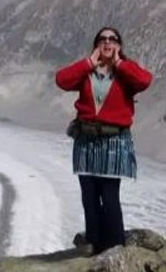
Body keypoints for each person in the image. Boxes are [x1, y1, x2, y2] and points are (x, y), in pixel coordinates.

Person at [54, 27, 153, 254]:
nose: (107, 43)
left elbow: (144, 80)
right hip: (86, 139)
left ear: (119, 45)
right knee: (89, 197)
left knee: (109, 197)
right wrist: (88, 63)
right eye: (102, 39)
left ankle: (115, 248)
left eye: (113, 39)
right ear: (96, 44)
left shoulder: (125, 73)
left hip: (113, 141)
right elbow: (62, 80)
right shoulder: (87, 72)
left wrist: (119, 64)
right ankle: (95, 245)